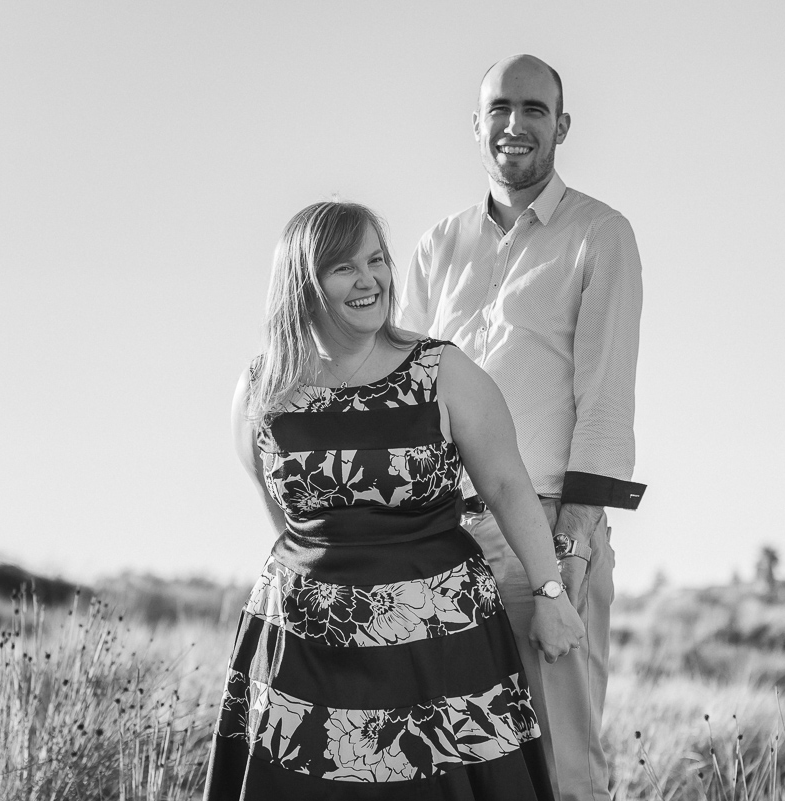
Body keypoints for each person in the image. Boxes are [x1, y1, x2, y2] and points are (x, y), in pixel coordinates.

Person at [203, 200, 584, 800]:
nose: (370, 280)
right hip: (306, 651)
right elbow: (285, 521)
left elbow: (508, 486)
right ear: (303, 284)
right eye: (343, 267)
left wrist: (550, 592)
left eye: (376, 260)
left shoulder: (443, 372)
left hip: (443, 642)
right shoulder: (262, 388)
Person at [399, 55, 645, 801]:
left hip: (542, 530)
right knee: (447, 766)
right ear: (477, 125)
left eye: (535, 109)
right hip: (439, 538)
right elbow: (406, 398)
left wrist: (564, 557)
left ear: (561, 126)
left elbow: (605, 401)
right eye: (500, 108)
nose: (516, 124)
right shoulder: (437, 246)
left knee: (559, 769)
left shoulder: (601, 234)